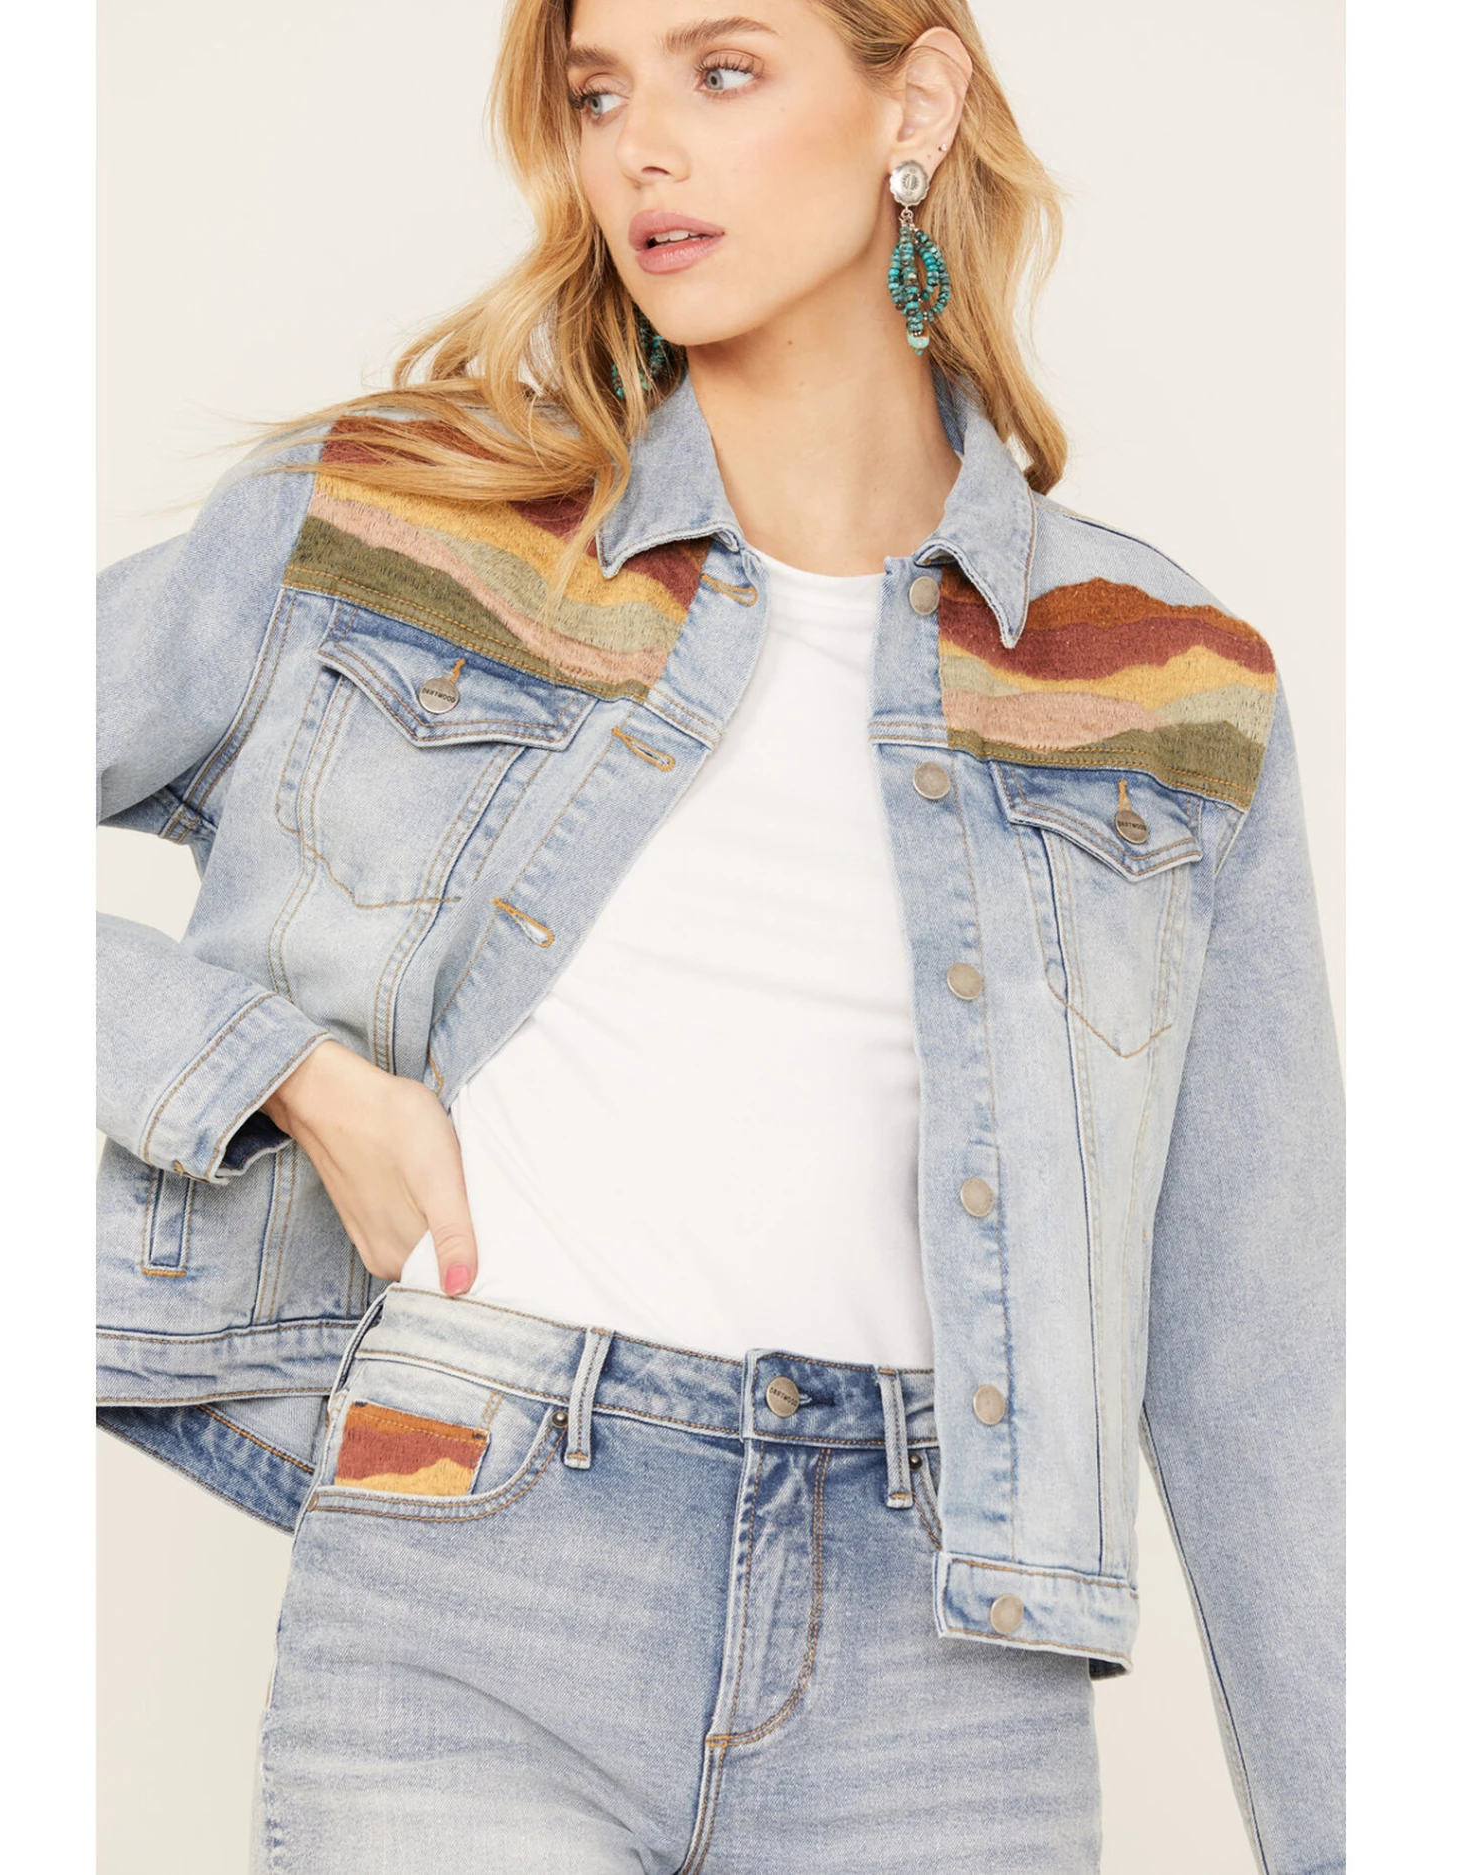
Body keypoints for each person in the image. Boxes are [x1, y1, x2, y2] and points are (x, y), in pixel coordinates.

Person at [95, 2, 1343, 1870]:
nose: (641, 147)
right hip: (478, 1566)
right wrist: (267, 1070)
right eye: (600, 93)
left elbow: (1266, 1355)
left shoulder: (1163, 682)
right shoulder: (411, 525)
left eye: (725, 70)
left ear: (916, 103)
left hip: (948, 1663)